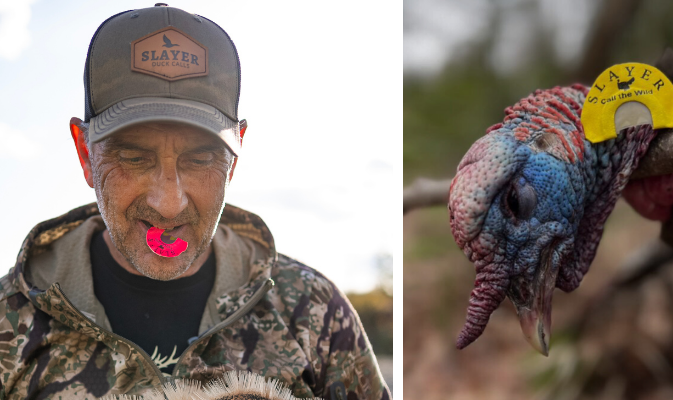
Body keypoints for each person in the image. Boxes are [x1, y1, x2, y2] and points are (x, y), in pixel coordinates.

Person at [0, 4, 389, 399]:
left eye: (200, 159)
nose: (169, 203)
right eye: (135, 158)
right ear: (85, 154)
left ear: (235, 157)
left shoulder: (313, 311)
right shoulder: (8, 322)